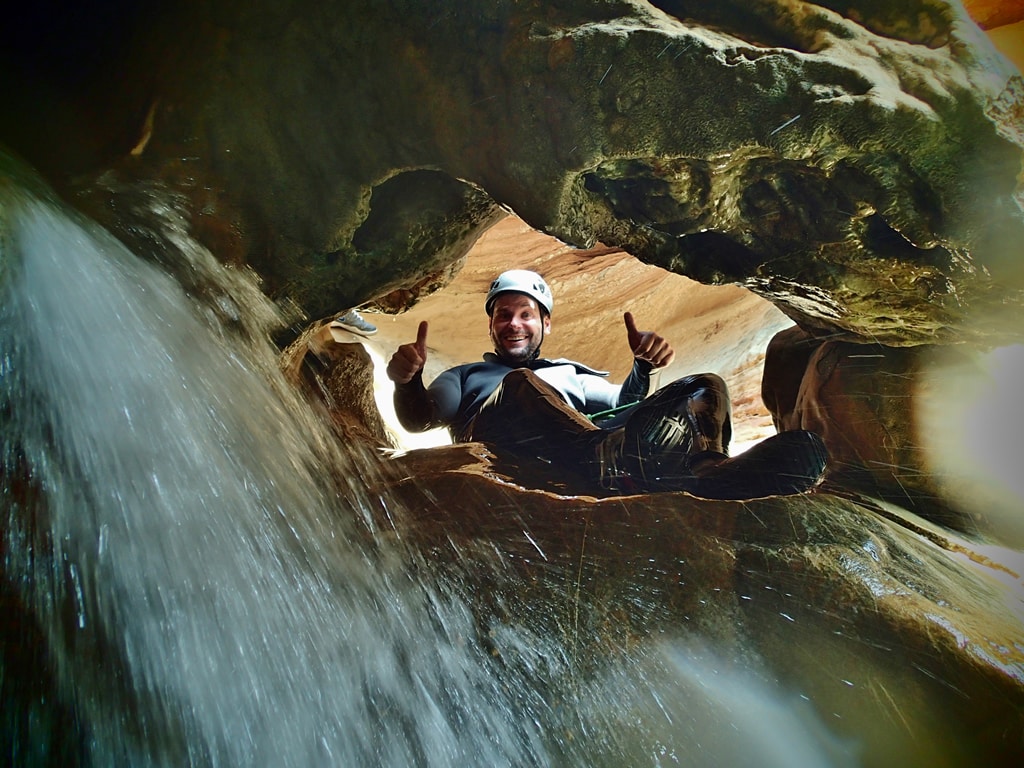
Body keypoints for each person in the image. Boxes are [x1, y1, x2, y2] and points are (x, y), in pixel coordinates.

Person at [386, 269, 826, 498]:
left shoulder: (570, 375)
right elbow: (421, 418)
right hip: (513, 447)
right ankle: (607, 460)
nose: (514, 324)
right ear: (491, 326)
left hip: (594, 448)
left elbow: (626, 405)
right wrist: (408, 381)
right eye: (503, 314)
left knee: (703, 386)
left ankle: (707, 474)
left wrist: (642, 367)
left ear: (545, 324)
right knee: (522, 383)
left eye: (526, 314)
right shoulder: (467, 376)